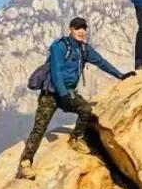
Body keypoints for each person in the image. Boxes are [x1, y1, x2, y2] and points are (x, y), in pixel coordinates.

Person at [16, 17, 135, 180]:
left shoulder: (84, 49)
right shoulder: (60, 46)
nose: (81, 31)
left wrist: (120, 75)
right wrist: (63, 94)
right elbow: (56, 71)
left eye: (84, 28)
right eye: (78, 28)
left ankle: (75, 139)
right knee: (39, 128)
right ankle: (25, 163)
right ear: (70, 29)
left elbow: (101, 62)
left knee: (86, 110)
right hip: (51, 94)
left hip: (69, 92)